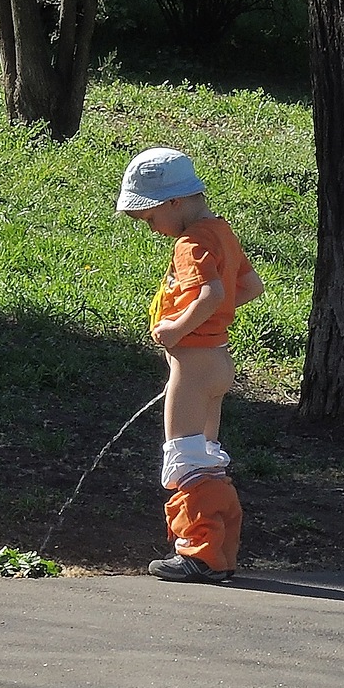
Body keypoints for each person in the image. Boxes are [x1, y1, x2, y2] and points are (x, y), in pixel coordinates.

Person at [116, 147, 265, 583]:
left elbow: (212, 295)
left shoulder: (191, 242)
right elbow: (250, 287)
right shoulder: (221, 231)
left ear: (173, 202)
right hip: (218, 360)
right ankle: (220, 551)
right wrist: (209, 322)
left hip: (194, 366)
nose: (151, 228)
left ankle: (198, 554)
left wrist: (176, 329)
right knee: (206, 458)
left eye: (149, 218)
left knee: (183, 460)